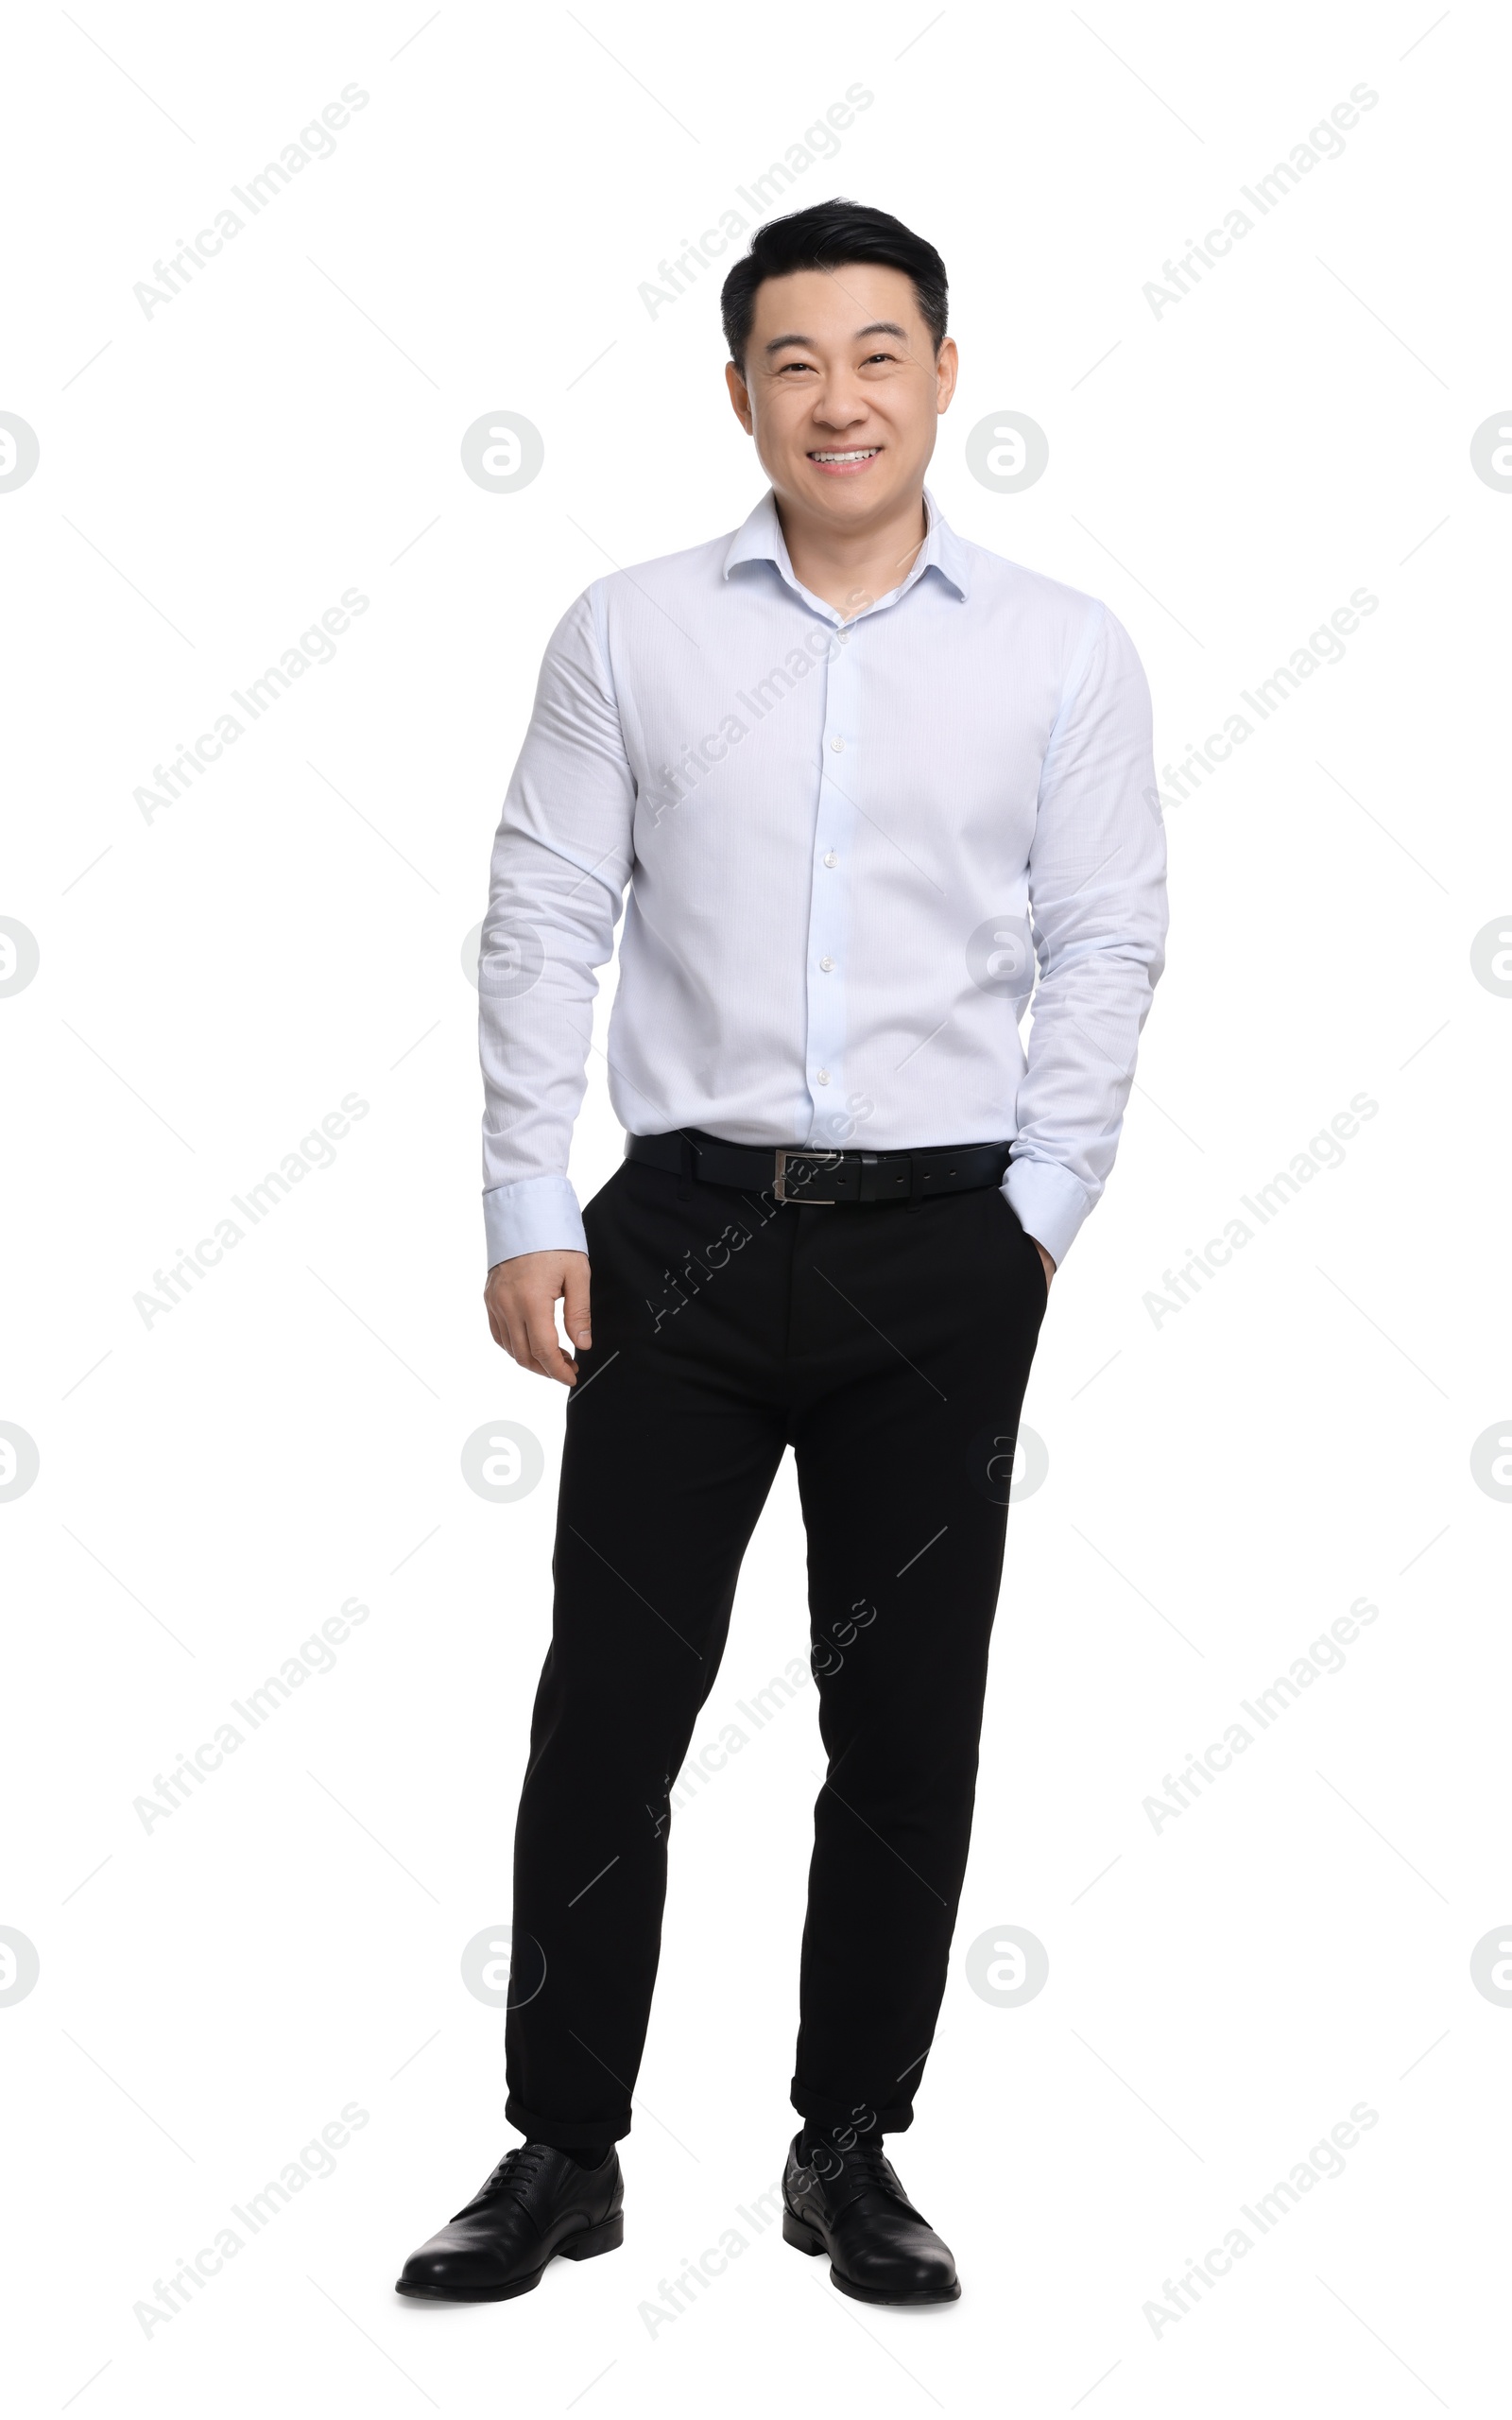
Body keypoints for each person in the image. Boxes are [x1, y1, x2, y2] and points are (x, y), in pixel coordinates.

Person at [396, 197, 1167, 2308]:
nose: (838, 396)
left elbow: (1106, 934)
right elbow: (546, 913)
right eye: (793, 361)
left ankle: (848, 2140)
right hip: (681, 1237)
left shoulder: (1058, 650)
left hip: (945, 1246)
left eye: (877, 352)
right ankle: (561, 2145)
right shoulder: (632, 629)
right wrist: (524, 1204)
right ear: (737, 391)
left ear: (942, 376)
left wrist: (1038, 1214)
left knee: (904, 1714)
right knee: (610, 1704)